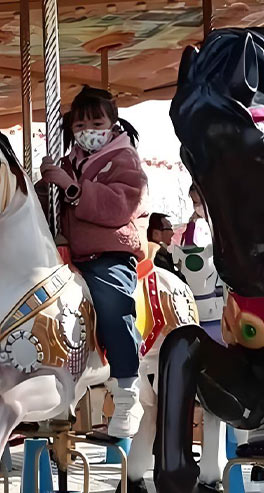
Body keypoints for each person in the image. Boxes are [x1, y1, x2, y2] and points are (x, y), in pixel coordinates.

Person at [36, 86, 148, 439]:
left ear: (112, 123)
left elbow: (122, 205)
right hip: (69, 256)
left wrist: (72, 188)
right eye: (81, 124)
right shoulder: (70, 160)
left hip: (108, 253)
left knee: (113, 304)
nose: (88, 130)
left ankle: (128, 392)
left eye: (96, 121)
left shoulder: (124, 158)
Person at [147, 212, 186, 283]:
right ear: (156, 234)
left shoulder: (161, 255)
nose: (172, 232)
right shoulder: (157, 259)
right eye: (169, 228)